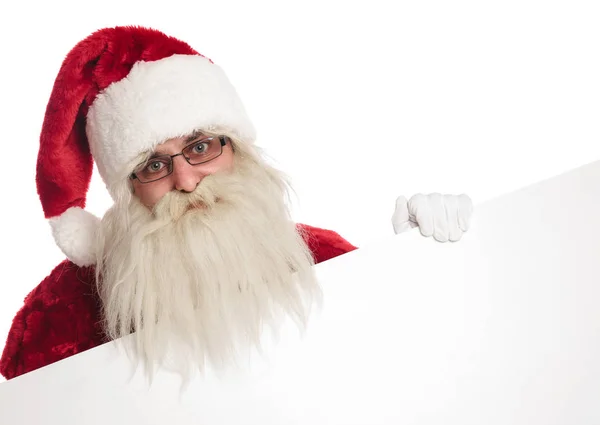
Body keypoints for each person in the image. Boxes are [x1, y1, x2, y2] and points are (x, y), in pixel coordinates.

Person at [0, 26, 473, 381]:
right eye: (153, 165)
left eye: (201, 146)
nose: (185, 180)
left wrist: (417, 269)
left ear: (239, 151)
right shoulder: (62, 311)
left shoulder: (320, 259)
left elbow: (410, 375)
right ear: (129, 190)